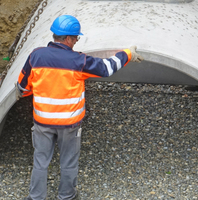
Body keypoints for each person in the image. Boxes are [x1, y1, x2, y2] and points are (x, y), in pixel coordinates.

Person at [16, 15, 144, 200]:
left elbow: (23, 87)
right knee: (68, 162)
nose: (76, 41)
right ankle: (66, 196)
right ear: (67, 38)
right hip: (69, 124)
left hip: (42, 122)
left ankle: (36, 197)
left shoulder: (36, 56)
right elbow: (106, 68)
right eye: (76, 37)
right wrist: (128, 54)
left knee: (40, 161)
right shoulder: (79, 61)